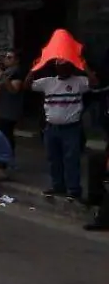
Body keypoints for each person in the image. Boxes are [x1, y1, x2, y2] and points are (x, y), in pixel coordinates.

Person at [26, 58, 95, 202]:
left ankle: (74, 189)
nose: (63, 69)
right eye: (59, 65)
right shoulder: (47, 82)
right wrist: (34, 69)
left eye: (65, 65)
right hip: (51, 128)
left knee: (71, 160)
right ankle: (58, 186)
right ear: (55, 67)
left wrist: (84, 66)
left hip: (71, 129)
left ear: (70, 66)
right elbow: (27, 86)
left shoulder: (79, 81)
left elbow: (94, 83)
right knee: (53, 159)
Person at [0, 49, 26, 153]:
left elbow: (14, 90)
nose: (6, 59)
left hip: (9, 111)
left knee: (6, 135)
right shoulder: (6, 71)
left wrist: (3, 76)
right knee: (1, 134)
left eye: (9, 57)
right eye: (6, 57)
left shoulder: (17, 72)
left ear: (17, 60)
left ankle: (7, 156)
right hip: (1, 109)